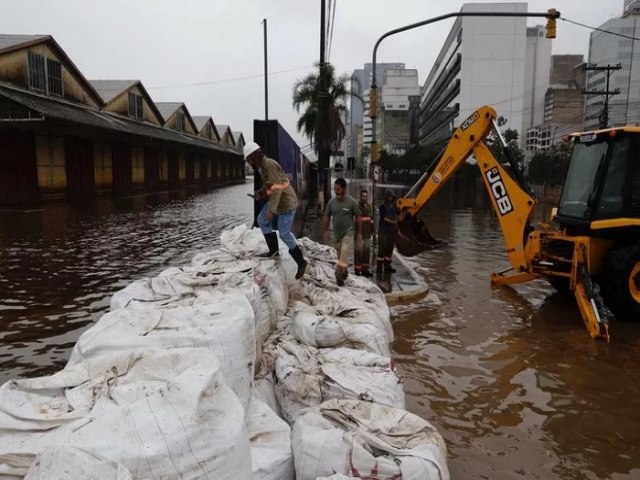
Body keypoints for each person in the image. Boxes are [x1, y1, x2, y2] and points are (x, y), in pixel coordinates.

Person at [244, 141, 307, 280]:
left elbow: (277, 189)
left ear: (254, 156)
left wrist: (271, 210)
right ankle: (274, 251)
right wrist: (260, 193)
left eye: (248, 159)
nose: (248, 163)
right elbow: (271, 187)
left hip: (287, 203)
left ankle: (301, 262)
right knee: (261, 220)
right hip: (278, 202)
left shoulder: (269, 165)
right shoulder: (262, 167)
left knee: (284, 233)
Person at [322, 177, 361, 286]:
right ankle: (344, 271)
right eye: (335, 189)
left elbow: (358, 217)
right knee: (339, 256)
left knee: (344, 251)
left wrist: (359, 233)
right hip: (337, 235)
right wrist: (324, 231)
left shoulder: (352, 202)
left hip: (349, 232)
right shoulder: (331, 202)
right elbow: (326, 216)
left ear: (344, 189)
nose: (336, 192)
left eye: (338, 189)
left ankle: (338, 273)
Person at [376, 189, 398, 275]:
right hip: (383, 231)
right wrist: (394, 222)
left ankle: (387, 266)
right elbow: (384, 218)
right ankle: (379, 267)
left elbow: (397, 214)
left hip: (391, 232)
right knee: (382, 250)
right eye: (389, 196)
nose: (391, 198)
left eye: (392, 196)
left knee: (389, 249)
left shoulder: (394, 205)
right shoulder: (382, 206)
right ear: (386, 197)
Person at [354, 189, 373, 277]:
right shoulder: (357, 207)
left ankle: (365, 269)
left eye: (366, 196)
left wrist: (372, 232)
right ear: (360, 197)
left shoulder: (369, 207)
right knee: (358, 252)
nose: (364, 198)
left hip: (368, 233)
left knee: (367, 252)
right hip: (359, 233)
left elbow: (371, 220)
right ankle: (357, 270)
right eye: (363, 196)